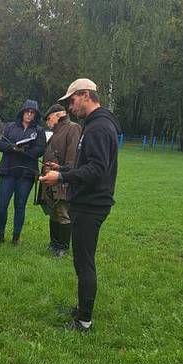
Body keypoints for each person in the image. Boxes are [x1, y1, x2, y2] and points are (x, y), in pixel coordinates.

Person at [39, 78, 120, 332]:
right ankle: (81, 309)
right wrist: (61, 168)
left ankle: (84, 322)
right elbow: (88, 165)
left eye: (71, 100)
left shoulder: (98, 128)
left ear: (86, 95)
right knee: (80, 261)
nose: (69, 107)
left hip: (91, 205)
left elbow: (96, 170)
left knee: (84, 263)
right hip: (87, 202)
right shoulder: (94, 125)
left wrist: (61, 177)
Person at [0, 99, 47, 245]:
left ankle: (16, 238)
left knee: (20, 205)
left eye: (32, 113)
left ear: (35, 115)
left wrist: (25, 151)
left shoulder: (39, 131)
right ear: (22, 112)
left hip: (27, 173)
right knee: (2, 204)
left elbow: (40, 149)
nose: (29, 115)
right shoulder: (9, 127)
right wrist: (12, 148)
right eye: (27, 111)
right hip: (8, 170)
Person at [38, 103, 81, 257]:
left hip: (64, 179)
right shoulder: (56, 131)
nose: (48, 123)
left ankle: (63, 246)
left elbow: (72, 158)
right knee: (53, 212)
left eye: (49, 119)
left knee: (63, 212)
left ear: (58, 115)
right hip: (50, 178)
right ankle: (54, 243)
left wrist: (63, 171)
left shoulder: (72, 128)